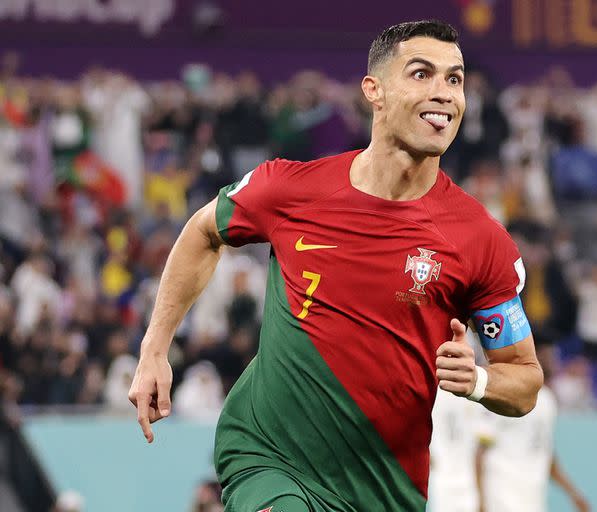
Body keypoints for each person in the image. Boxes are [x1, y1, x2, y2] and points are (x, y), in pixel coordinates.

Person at [129, 20, 542, 512]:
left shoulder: (479, 239)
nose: (443, 93)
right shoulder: (291, 189)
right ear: (375, 91)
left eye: (454, 79)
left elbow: (524, 381)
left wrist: (476, 380)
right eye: (421, 74)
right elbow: (203, 231)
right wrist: (154, 348)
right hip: (269, 455)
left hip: (384, 488)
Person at [476, 360, 590, 512]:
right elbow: (480, 452)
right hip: (502, 491)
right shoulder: (502, 394)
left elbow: (546, 453)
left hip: (533, 495)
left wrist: (573, 494)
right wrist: (480, 500)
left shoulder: (548, 399)